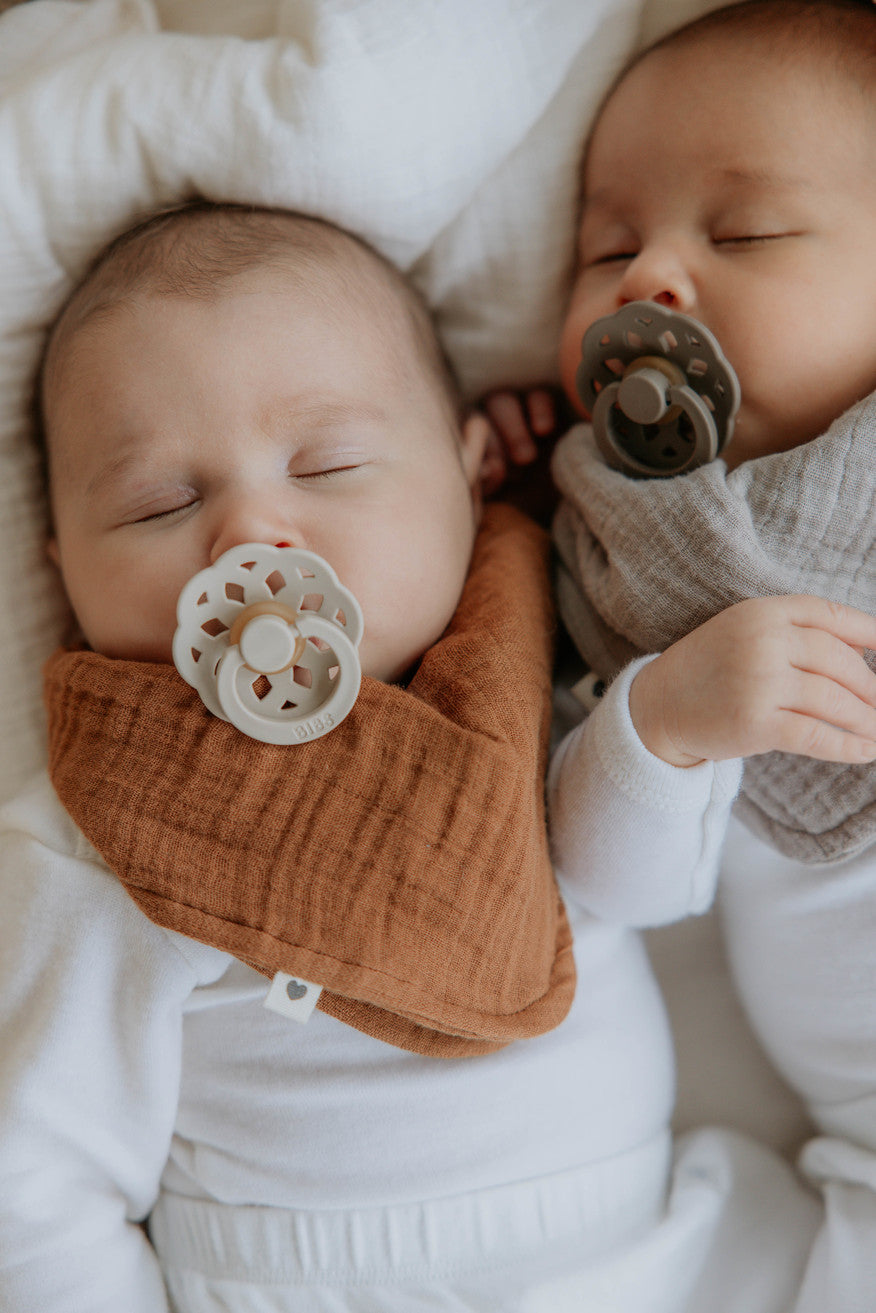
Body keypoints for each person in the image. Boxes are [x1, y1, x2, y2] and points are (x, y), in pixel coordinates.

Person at [0, 198, 852, 1312]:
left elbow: (626, 890)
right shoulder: (100, 820)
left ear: (472, 472)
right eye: (163, 501)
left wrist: (659, 729)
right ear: (64, 564)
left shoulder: (531, 666)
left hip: (647, 1251)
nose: (254, 537)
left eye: (330, 463)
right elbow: (33, 1175)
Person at [490, 1, 876, 1307]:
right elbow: (612, 891)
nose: (646, 279)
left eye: (746, 231)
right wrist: (664, 721)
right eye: (604, 248)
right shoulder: (601, 559)